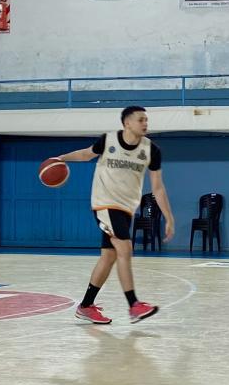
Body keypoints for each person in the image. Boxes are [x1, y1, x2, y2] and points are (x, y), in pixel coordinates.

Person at [57, 106, 175, 324]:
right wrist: (61, 158)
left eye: (146, 120)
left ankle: (85, 306)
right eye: (141, 120)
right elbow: (85, 154)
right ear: (127, 123)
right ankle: (134, 305)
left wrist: (169, 217)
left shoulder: (152, 150)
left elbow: (158, 187)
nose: (145, 123)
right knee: (125, 247)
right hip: (105, 204)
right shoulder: (108, 140)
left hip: (126, 208)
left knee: (109, 256)